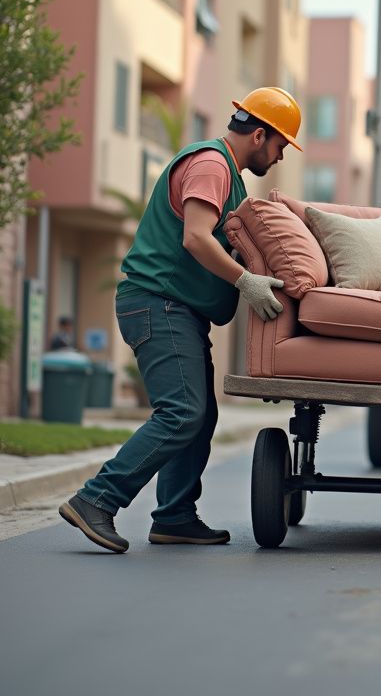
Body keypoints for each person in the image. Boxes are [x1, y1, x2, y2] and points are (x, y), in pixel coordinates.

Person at [59, 87, 302, 554]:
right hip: (158, 303)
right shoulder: (211, 165)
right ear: (258, 134)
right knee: (183, 411)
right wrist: (244, 281)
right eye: (279, 146)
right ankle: (96, 499)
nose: (279, 157)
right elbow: (195, 238)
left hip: (176, 309)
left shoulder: (227, 174)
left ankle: (174, 515)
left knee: (201, 414)